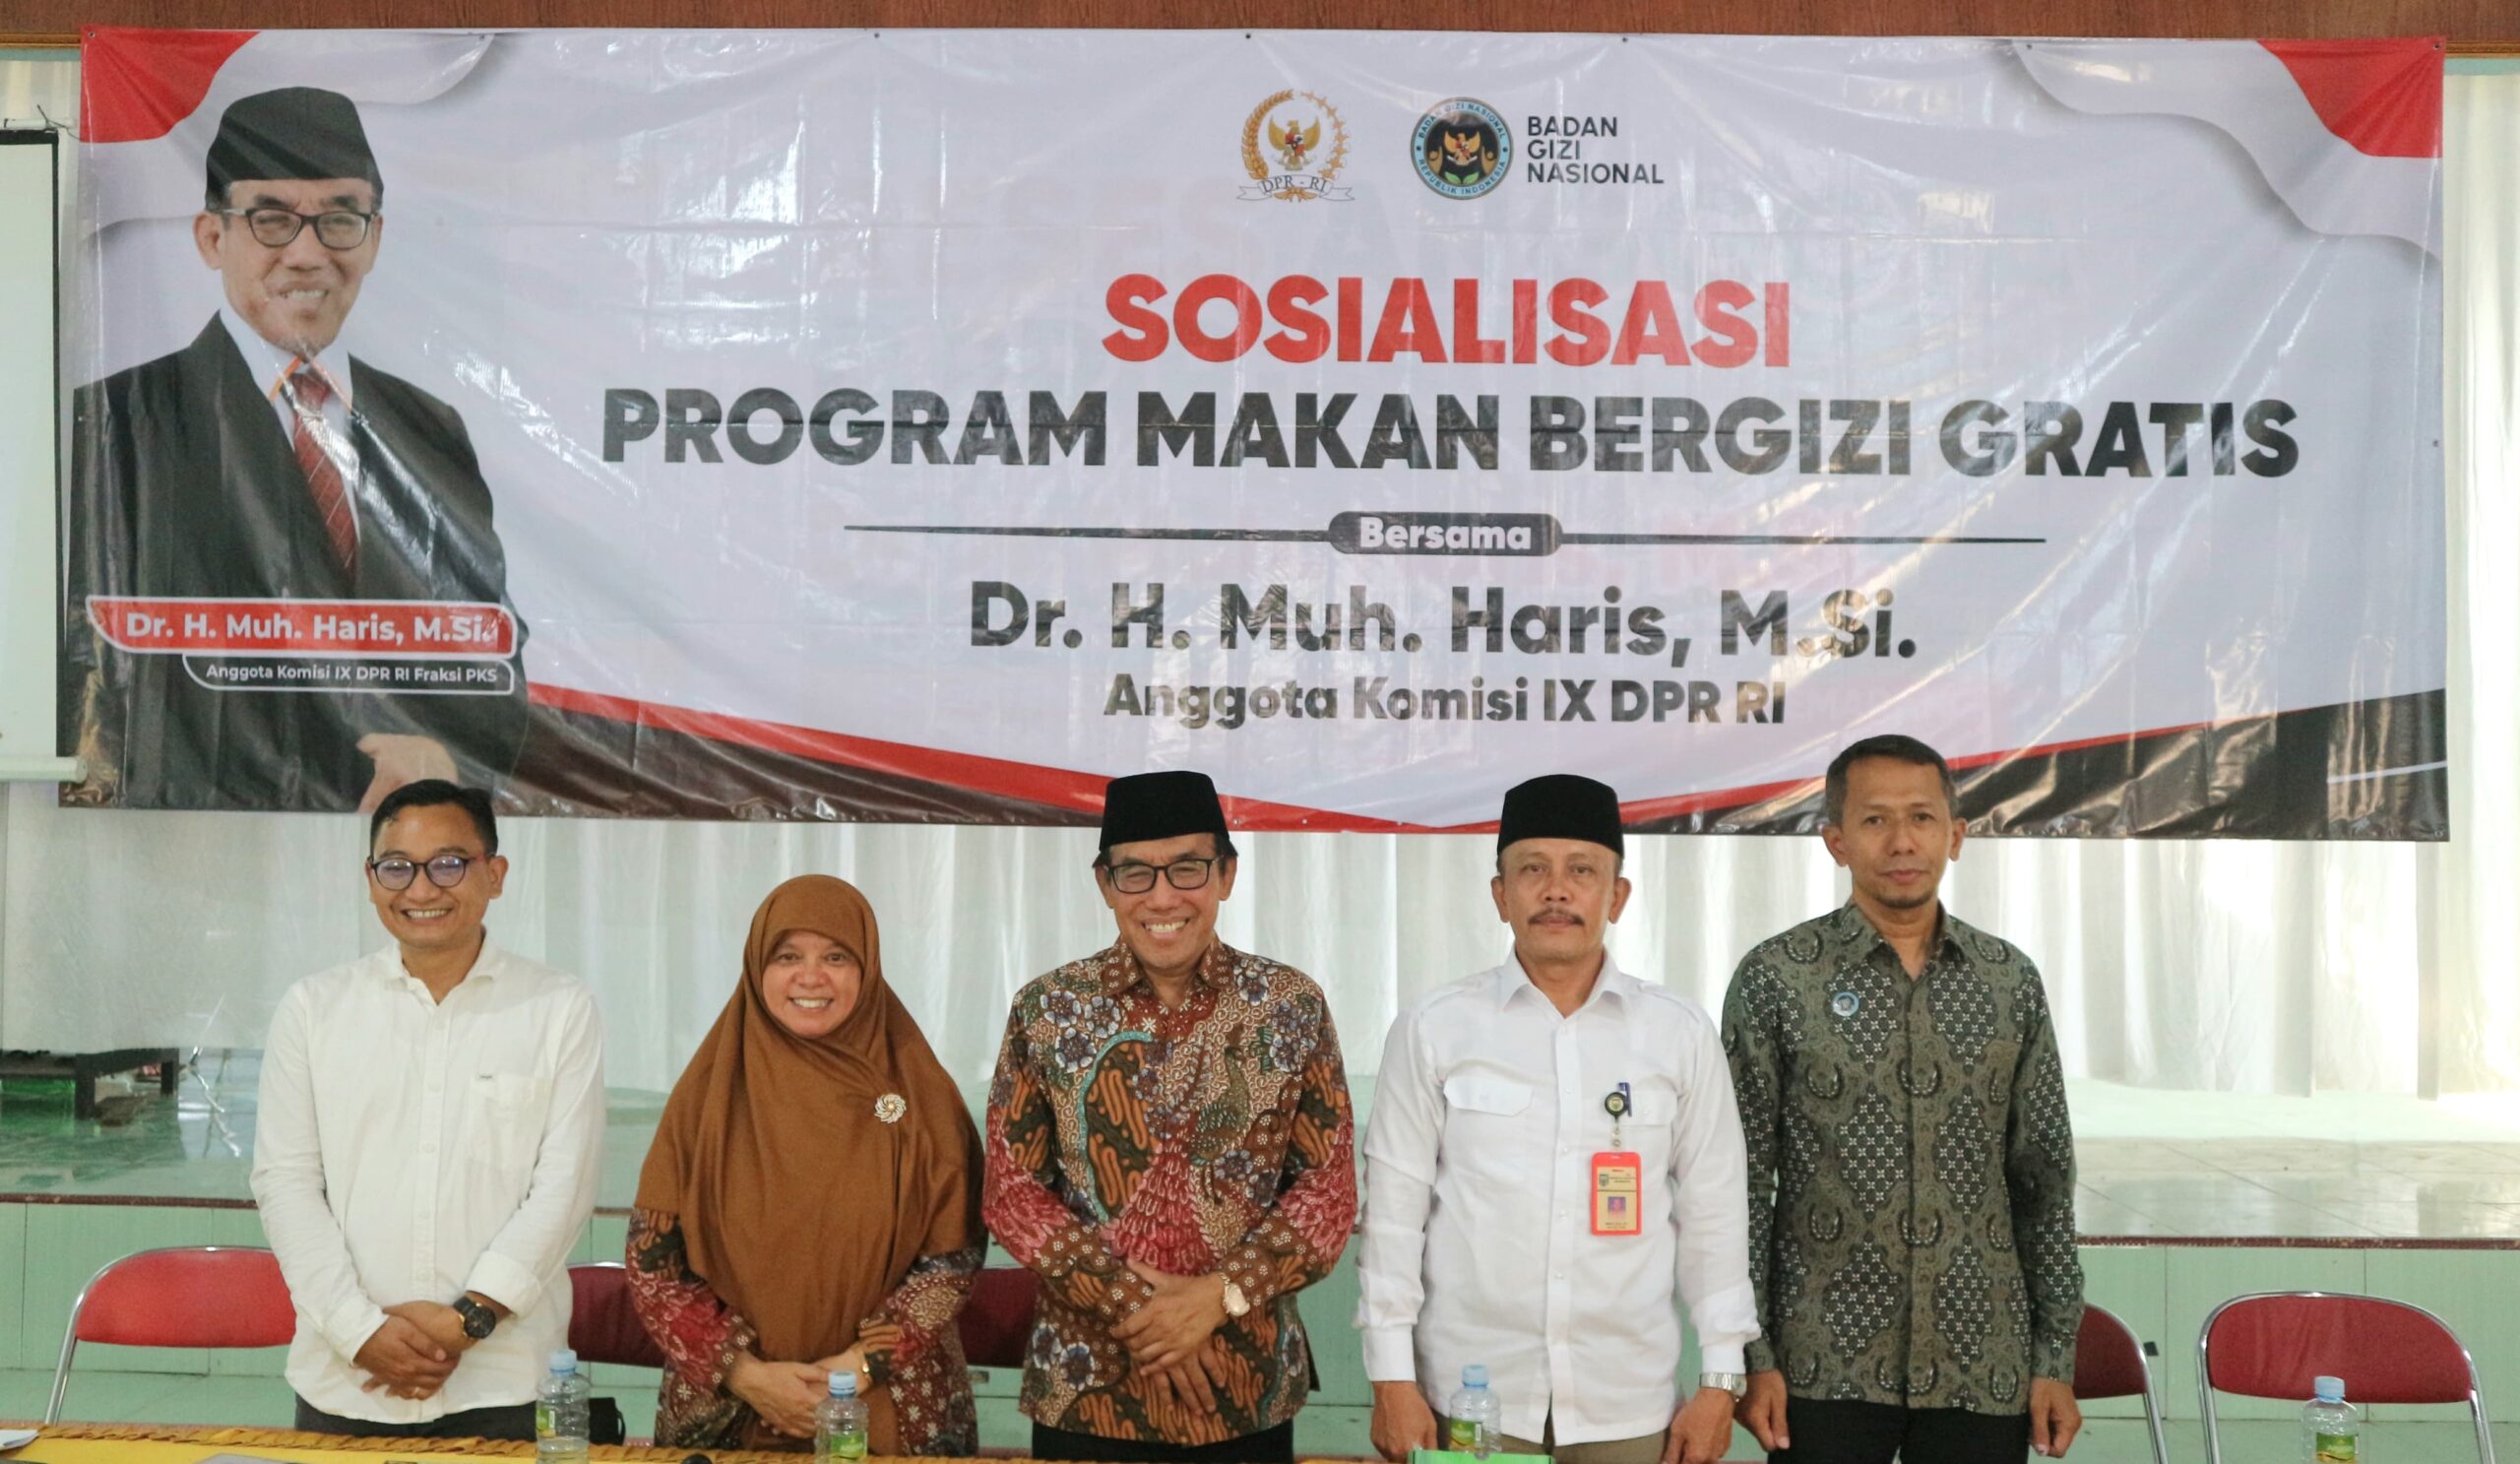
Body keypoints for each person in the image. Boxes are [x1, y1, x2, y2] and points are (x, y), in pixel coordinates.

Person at [63, 85, 530, 813]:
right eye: (272, 219)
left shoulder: (430, 428)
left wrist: (444, 757)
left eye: (340, 219)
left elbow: (492, 650)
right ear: (212, 238)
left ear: (374, 238)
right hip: (195, 836)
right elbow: (83, 658)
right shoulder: (120, 420)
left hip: (399, 836)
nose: (308, 255)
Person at [1356, 774, 1759, 1464]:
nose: (1556, 891)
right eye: (1533, 869)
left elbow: (1716, 1214)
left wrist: (1721, 1380)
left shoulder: (1678, 1032)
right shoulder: (1435, 1027)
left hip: (1628, 1404)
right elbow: (1394, 1216)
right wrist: (1390, 1378)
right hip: (1472, 1399)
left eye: (1581, 871)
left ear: (1617, 896)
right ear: (1500, 894)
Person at [1722, 735, 2083, 1463]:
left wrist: (2054, 1357)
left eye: (1921, 817)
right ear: (1836, 841)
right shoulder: (1777, 978)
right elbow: (1739, 1184)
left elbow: (2043, 1179)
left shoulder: (2008, 980)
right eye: (1875, 820)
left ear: (1956, 835)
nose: (1901, 841)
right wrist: (1752, 1355)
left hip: (1982, 1359)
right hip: (1821, 1360)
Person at [982, 769, 1357, 1464]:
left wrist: (1219, 1296)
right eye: (1135, 872)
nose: (1162, 897)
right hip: (1086, 1390)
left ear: (1226, 874)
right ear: (1105, 883)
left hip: (1243, 1389)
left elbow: (1326, 1194)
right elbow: (1013, 1193)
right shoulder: (1048, 1009)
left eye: (1187, 868)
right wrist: (1136, 1307)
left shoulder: (1289, 1006)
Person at [249, 779, 603, 1439]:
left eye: (449, 863)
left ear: (495, 874)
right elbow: (286, 1182)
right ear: (370, 879)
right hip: (347, 1380)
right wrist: (359, 1329)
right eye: (397, 867)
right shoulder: (314, 1009)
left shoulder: (557, 1008)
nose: (421, 888)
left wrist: (469, 1317)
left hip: (504, 1382)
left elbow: (564, 1187)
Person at [628, 874, 985, 1453]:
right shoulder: (709, 1096)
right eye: (787, 956)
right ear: (757, 968)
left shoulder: (921, 1094)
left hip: (892, 1407)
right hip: (729, 1410)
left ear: (867, 968)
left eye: (836, 957)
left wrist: (859, 1368)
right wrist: (747, 1374)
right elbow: (654, 1266)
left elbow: (954, 1257)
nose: (811, 976)